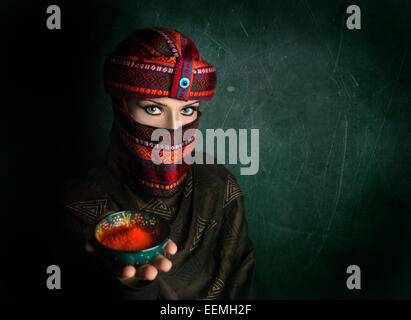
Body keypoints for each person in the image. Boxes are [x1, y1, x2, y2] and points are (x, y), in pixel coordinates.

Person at [59, 26, 257, 299]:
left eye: (187, 110)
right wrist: (131, 290)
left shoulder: (219, 187)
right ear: (121, 107)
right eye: (153, 109)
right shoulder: (83, 206)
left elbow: (244, 288)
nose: (173, 130)